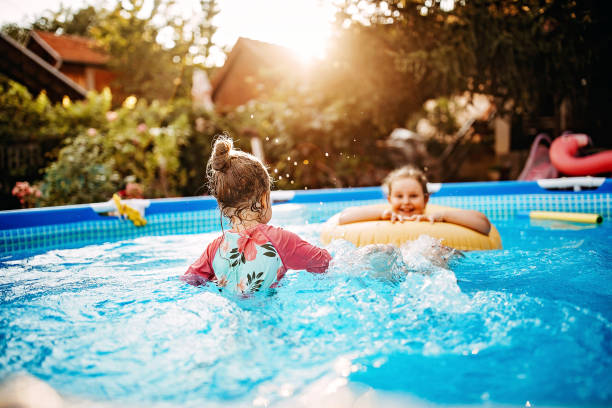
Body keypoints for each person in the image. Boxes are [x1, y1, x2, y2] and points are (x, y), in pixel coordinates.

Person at [182, 136, 331, 293]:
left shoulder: (214, 249)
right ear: (264, 200)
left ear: (223, 206)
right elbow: (325, 262)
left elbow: (189, 281)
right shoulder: (280, 240)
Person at [338, 166, 491, 235]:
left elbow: (484, 225)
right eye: (399, 196)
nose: (406, 202)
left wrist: (443, 216)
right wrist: (380, 214)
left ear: (426, 199)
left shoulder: (435, 217)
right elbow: (344, 217)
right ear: (389, 199)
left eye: (413, 196)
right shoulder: (386, 216)